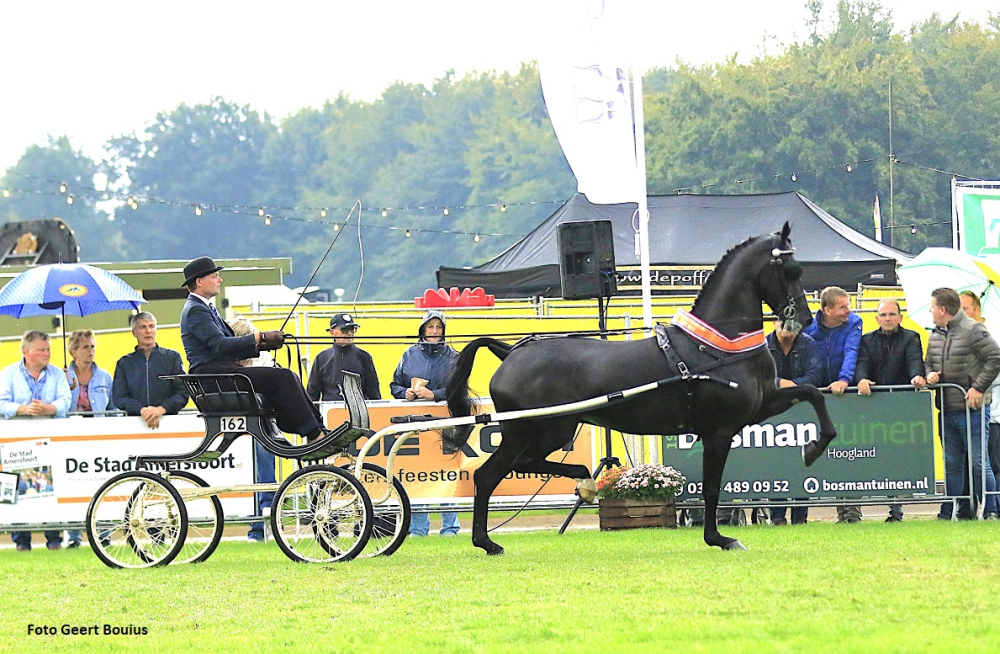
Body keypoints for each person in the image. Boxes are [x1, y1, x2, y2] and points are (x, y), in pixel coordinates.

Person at [179, 256, 349, 447]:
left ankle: (317, 429)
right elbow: (221, 345)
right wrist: (259, 337)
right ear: (199, 281)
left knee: (289, 375)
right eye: (215, 276)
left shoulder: (205, 308)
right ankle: (314, 433)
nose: (220, 280)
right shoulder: (196, 310)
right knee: (282, 377)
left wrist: (264, 344)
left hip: (222, 373)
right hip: (215, 378)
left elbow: (224, 347)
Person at [915, 287, 1000, 520]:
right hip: (946, 408)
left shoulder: (974, 330)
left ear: (942, 310)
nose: (930, 311)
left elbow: (995, 358)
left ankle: (991, 509)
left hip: (972, 409)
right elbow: (928, 362)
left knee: (979, 462)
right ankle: (954, 510)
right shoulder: (935, 334)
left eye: (932, 307)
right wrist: (930, 375)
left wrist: (978, 388)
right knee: (952, 462)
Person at [853, 299, 926, 522]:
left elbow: (914, 361)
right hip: (872, 407)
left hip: (901, 408)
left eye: (892, 314)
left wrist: (917, 376)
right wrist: (861, 379)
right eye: (883, 315)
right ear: (876, 318)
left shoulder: (911, 337)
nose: (888, 318)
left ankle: (896, 510)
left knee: (898, 459)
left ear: (900, 317)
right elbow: (862, 364)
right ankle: (854, 512)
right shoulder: (867, 340)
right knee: (869, 456)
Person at [391, 310, 461, 536]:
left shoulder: (454, 356)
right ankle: (418, 529)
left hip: (445, 422)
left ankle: (450, 528)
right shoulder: (408, 354)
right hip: (415, 423)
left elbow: (460, 389)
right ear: (422, 329)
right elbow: (394, 385)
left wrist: (435, 395)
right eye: (430, 327)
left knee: (447, 474)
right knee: (418, 474)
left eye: (438, 327)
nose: (434, 331)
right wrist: (405, 393)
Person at [0, 331, 71, 551]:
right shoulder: (8, 374)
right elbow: (1, 403)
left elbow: (65, 400)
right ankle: (22, 540)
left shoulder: (57, 374)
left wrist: (48, 408)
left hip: (51, 437)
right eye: (42, 349)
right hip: (17, 440)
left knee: (52, 486)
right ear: (26, 351)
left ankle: (54, 538)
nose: (47, 353)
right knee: (19, 487)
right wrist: (24, 409)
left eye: (48, 349)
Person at [803, 286, 864, 523]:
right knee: (817, 452)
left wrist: (844, 380)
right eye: (842, 307)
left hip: (844, 395)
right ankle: (801, 515)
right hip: (817, 396)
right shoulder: (809, 327)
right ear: (827, 310)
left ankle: (851, 513)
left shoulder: (854, 322)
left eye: (848, 305)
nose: (848, 310)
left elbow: (851, 351)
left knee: (848, 452)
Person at [766, 319, 823, 525]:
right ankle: (777, 517)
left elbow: (815, 375)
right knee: (775, 462)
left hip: (803, 410)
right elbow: (759, 376)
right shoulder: (763, 345)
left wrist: (793, 386)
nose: (787, 327)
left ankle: (800, 517)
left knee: (803, 462)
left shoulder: (809, 344)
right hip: (773, 411)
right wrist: (780, 383)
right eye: (783, 322)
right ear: (775, 322)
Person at [65, 328, 118, 547]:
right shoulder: (61, 376)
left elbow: (114, 408)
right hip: (70, 439)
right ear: (73, 351)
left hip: (98, 439)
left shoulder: (104, 376)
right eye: (85, 347)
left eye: (93, 346)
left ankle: (103, 534)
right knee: (71, 484)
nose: (91, 350)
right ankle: (73, 536)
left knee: (102, 483)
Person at [231, 317, 277, 542]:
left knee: (264, 454)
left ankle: (264, 521)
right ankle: (258, 524)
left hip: (261, 421)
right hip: (233, 421)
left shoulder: (264, 358)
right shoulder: (222, 358)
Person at [958, 291, 1000, 519]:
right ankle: (968, 508)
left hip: (993, 410)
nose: (961, 313)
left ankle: (994, 508)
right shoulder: (957, 334)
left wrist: (978, 385)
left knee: (991, 461)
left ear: (977, 309)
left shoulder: (993, 333)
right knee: (967, 462)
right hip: (965, 409)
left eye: (965, 308)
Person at [113, 312, 189, 429]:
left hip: (169, 423)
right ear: (134, 332)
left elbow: (182, 394)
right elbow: (119, 397)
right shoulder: (124, 363)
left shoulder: (172, 357)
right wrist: (141, 410)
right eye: (142, 327)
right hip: (134, 425)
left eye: (151, 326)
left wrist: (161, 409)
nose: (148, 331)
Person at [306, 313, 381, 402]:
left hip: (358, 409)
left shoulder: (364, 358)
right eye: (344, 330)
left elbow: (374, 394)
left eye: (352, 329)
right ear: (332, 332)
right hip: (330, 410)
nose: (349, 333)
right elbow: (312, 395)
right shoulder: (321, 359)